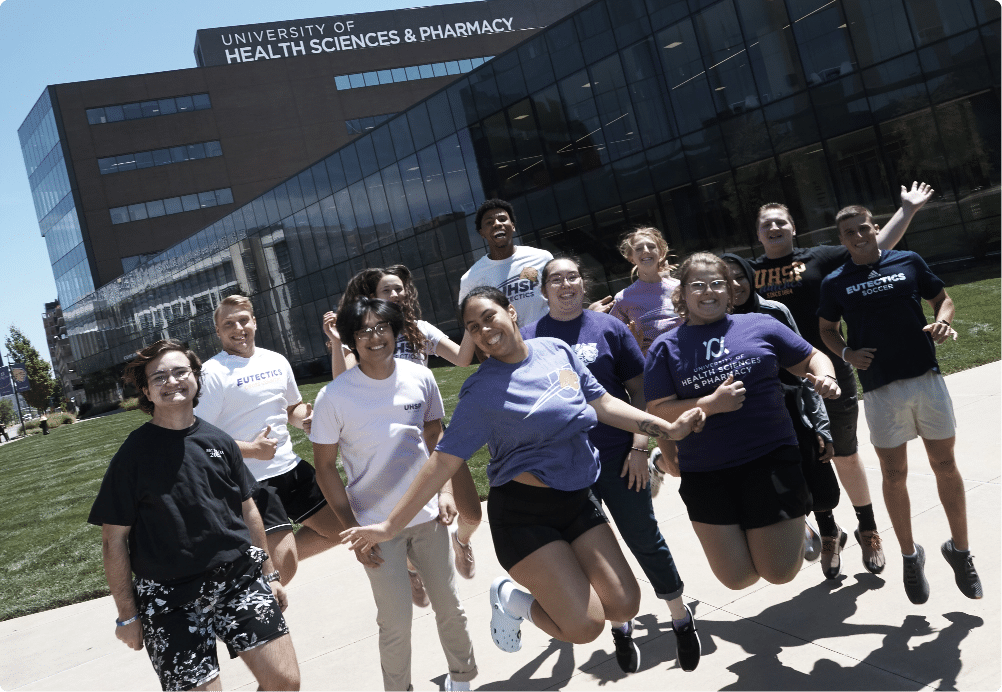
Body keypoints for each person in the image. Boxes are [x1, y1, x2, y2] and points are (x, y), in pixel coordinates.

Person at [340, 286, 705, 665]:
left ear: (510, 312)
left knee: (625, 603)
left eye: (488, 317)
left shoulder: (556, 351)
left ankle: (560, 580)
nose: (484, 330)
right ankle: (512, 600)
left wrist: (668, 429)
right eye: (472, 327)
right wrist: (389, 526)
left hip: (579, 501)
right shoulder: (481, 392)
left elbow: (605, 404)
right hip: (524, 517)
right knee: (585, 627)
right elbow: (442, 462)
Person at [521, 256, 701, 673]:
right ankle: (621, 626)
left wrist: (641, 447)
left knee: (644, 538)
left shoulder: (609, 328)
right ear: (544, 290)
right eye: (556, 279)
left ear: (582, 283)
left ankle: (679, 615)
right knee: (594, 552)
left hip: (622, 458)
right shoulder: (530, 339)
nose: (566, 285)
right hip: (568, 469)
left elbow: (640, 391)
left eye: (572, 276)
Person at [88, 339, 300, 692]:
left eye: (180, 372)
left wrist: (270, 574)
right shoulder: (132, 457)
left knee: (285, 682)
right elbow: (114, 540)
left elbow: (248, 510)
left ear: (195, 378)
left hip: (238, 580)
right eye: (159, 377)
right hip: (169, 596)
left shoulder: (220, 442)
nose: (172, 381)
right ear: (146, 390)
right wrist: (127, 615)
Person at [749, 183, 934, 575]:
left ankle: (868, 528)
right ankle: (830, 533)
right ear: (759, 232)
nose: (775, 228)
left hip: (830, 372)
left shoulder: (821, 258)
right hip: (780, 385)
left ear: (793, 227)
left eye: (781, 221)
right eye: (767, 224)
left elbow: (871, 243)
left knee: (846, 455)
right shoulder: (749, 274)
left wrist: (907, 211)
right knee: (809, 461)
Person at [645, 253, 841, 591]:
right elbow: (658, 412)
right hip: (705, 470)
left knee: (779, 573)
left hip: (769, 459)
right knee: (737, 579)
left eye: (718, 283)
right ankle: (790, 527)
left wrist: (825, 377)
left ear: (731, 290)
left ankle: (791, 525)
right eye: (699, 285)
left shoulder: (760, 325)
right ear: (683, 295)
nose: (709, 291)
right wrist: (710, 405)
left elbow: (812, 357)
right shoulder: (665, 347)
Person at [311, 298, 478, 692]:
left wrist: (447, 492)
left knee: (450, 607)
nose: (375, 336)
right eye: (364, 330)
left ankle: (462, 679)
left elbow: (436, 437)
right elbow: (324, 468)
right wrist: (353, 530)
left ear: (395, 330)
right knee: (395, 623)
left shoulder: (419, 377)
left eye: (382, 327)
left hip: (428, 518)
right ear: (351, 340)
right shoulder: (333, 397)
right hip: (373, 528)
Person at [818, 205, 981, 605]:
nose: (858, 237)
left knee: (945, 464)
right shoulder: (836, 281)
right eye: (849, 233)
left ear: (875, 228)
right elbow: (826, 329)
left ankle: (960, 551)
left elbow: (943, 299)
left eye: (863, 228)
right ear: (842, 240)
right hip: (879, 389)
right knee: (894, 474)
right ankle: (911, 556)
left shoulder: (908, 260)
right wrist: (846, 354)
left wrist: (942, 321)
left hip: (926, 378)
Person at [322, 265, 481, 597]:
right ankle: (411, 569)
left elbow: (463, 359)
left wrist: (470, 312)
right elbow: (342, 383)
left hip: (431, 434)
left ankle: (461, 539)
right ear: (371, 298)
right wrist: (338, 345)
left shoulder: (419, 329)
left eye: (400, 289)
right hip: (395, 444)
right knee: (401, 520)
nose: (397, 294)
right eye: (388, 290)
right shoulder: (363, 336)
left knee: (471, 514)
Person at [198, 295, 342, 586]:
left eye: (243, 320)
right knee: (283, 569)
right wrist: (252, 450)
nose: (238, 328)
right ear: (218, 331)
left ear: (254, 322)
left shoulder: (276, 360)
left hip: (290, 468)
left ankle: (254, 573)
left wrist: (306, 420)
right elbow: (198, 437)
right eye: (228, 324)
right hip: (250, 481)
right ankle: (256, 596)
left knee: (341, 527)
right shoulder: (212, 374)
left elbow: (292, 408)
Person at [720, 253, 844, 578]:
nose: (735, 285)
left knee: (820, 487)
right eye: (726, 278)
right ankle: (802, 525)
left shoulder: (773, 312)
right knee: (784, 487)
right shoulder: (712, 327)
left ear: (751, 276)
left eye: (740, 276)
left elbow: (806, 369)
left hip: (793, 410)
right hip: (753, 423)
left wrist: (820, 425)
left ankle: (830, 533)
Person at [457, 198, 553, 328]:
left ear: (512, 226)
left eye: (502, 219)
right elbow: (471, 326)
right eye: (489, 222)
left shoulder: (541, 258)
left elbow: (558, 300)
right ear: (482, 233)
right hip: (506, 348)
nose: (497, 224)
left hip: (546, 343)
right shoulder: (471, 278)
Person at [606, 227, 682, 356]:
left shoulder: (681, 288)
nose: (646, 251)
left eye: (651, 246)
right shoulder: (623, 298)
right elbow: (611, 338)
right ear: (631, 257)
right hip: (652, 367)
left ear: (661, 251)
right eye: (639, 249)